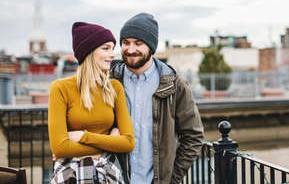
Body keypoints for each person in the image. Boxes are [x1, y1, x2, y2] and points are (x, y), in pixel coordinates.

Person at [110, 13, 204, 184]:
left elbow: (193, 136)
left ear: (151, 46)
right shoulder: (109, 82)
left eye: (138, 43)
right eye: (125, 43)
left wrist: (172, 179)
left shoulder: (175, 85)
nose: (131, 50)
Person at [48, 22, 135, 184]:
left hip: (106, 174)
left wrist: (83, 136)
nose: (112, 54)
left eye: (112, 48)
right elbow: (60, 148)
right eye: (106, 48)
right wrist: (109, 142)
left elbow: (128, 143)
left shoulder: (115, 88)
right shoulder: (60, 88)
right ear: (89, 52)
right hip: (71, 175)